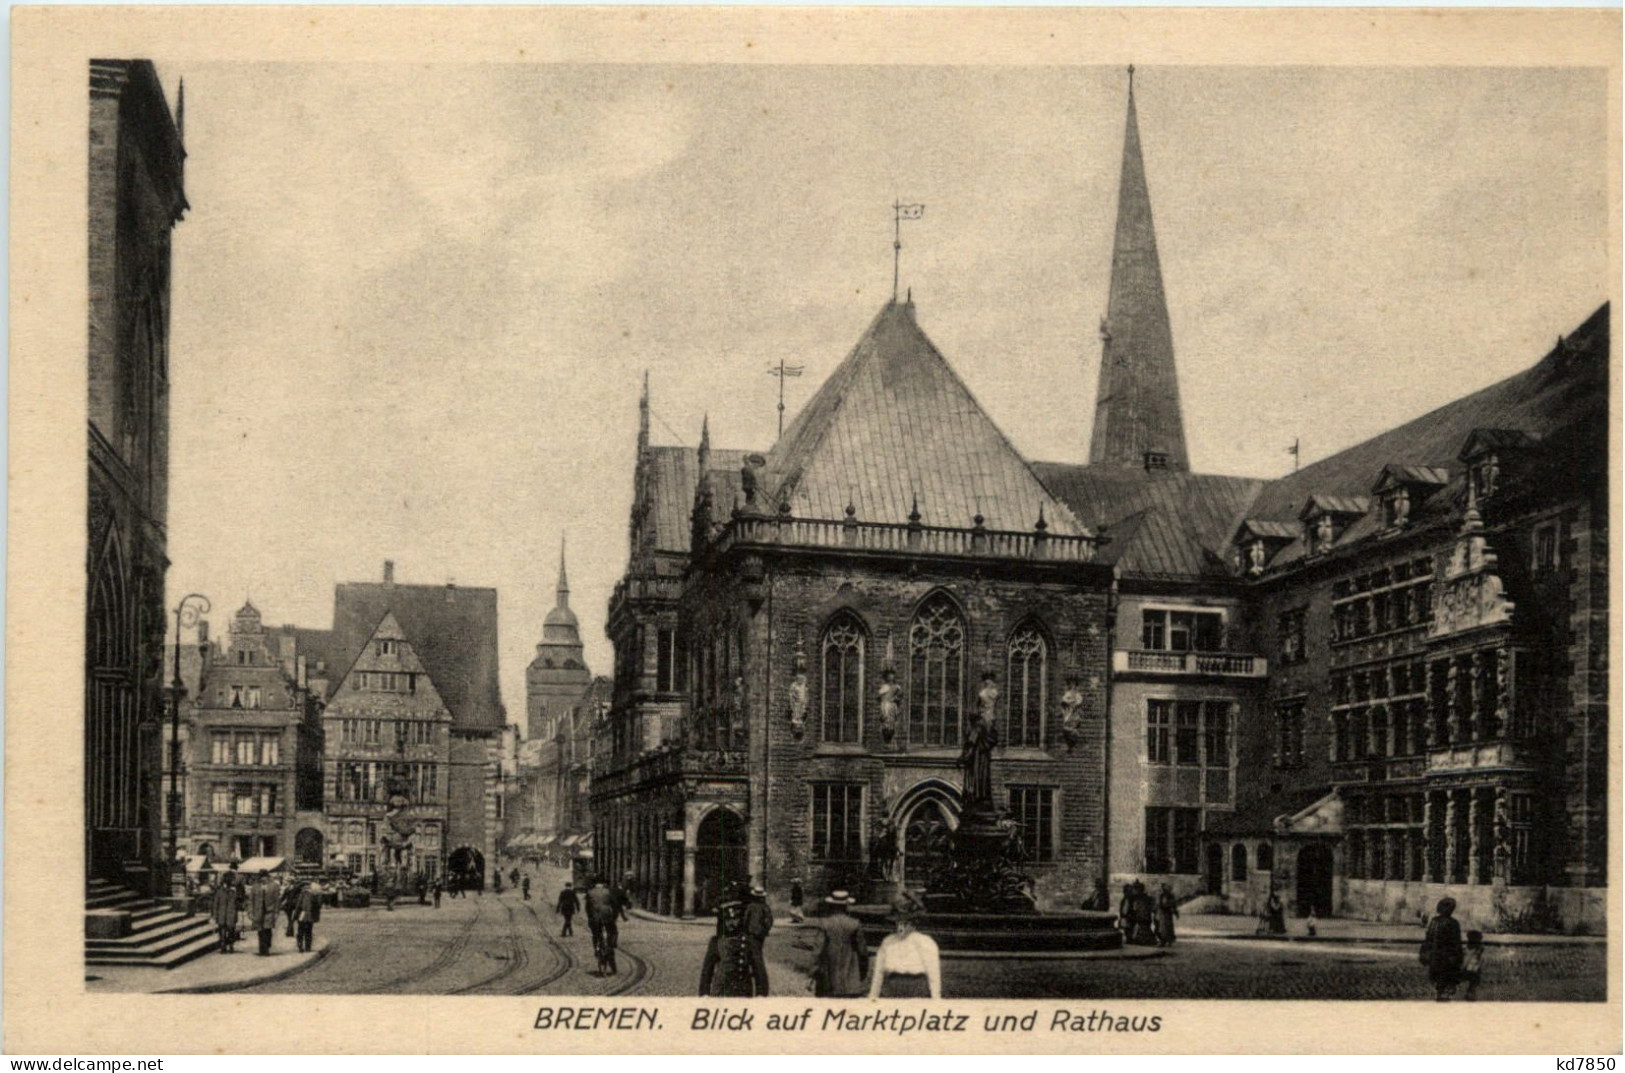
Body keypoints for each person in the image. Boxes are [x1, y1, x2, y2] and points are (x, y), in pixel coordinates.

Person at [868, 893, 941, 999]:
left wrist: (936, 999)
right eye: (897, 924)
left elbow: (934, 973)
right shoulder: (888, 942)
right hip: (892, 988)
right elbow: (878, 972)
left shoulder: (925, 942)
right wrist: (873, 996)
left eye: (905, 924)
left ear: (913, 923)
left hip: (916, 988)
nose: (900, 928)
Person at [699, 898, 770, 997]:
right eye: (728, 920)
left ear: (740, 919)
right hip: (720, 992)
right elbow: (707, 971)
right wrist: (705, 993)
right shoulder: (716, 942)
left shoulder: (749, 942)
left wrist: (761, 994)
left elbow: (759, 970)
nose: (731, 924)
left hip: (743, 993)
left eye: (735, 919)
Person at [808, 890, 867, 998]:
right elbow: (862, 951)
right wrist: (863, 972)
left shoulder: (825, 923)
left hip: (828, 977)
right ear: (846, 906)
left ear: (832, 905)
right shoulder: (855, 924)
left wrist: (813, 971)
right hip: (850, 978)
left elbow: (817, 950)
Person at [1421, 897, 1465, 1001]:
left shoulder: (1434, 921)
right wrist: (1459, 957)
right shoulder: (1454, 923)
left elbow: (1428, 939)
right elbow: (1457, 943)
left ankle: (1439, 995)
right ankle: (1444, 998)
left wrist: (1426, 953)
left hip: (1436, 956)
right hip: (1449, 958)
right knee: (1447, 982)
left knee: (1439, 982)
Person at [586, 876, 628, 975]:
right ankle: (611, 946)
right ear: (603, 884)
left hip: (594, 918)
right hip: (607, 916)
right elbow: (614, 904)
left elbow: (587, 907)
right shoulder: (608, 892)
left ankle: (596, 948)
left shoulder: (590, 892)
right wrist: (614, 916)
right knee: (613, 932)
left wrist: (590, 918)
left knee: (595, 934)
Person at [249, 873, 282, 957]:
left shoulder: (274, 886)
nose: (263, 879)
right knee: (260, 931)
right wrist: (250, 912)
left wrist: (276, 912)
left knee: (267, 930)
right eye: (261, 878)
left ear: (267, 877)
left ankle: (267, 947)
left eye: (264, 877)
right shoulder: (255, 887)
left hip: (269, 912)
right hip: (258, 912)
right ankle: (262, 949)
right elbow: (251, 901)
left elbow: (277, 900)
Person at [211, 873, 242, 953]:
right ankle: (223, 945)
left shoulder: (233, 893)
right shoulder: (220, 892)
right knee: (222, 931)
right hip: (222, 915)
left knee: (231, 931)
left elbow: (237, 904)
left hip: (230, 915)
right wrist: (214, 915)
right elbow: (215, 904)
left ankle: (230, 945)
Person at [295, 881, 323, 953]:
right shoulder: (316, 894)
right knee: (309, 931)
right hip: (311, 915)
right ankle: (308, 947)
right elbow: (319, 905)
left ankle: (300, 945)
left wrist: (295, 914)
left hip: (302, 914)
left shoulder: (302, 894)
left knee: (300, 930)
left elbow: (298, 905)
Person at [744, 883, 773, 951]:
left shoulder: (750, 906)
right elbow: (769, 921)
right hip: (761, 932)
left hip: (752, 932)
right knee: (759, 948)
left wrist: (745, 930)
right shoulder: (765, 907)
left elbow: (746, 919)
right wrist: (766, 930)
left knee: (754, 950)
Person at [1461, 930, 1485, 1001]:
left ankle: (1470, 992)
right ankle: (1470, 992)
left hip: (1471, 969)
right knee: (1474, 978)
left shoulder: (1472, 949)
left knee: (1474, 979)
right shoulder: (1475, 949)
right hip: (1471, 970)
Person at [1155, 883, 1179, 947]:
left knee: (1167, 927)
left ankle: (1167, 940)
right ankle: (1163, 940)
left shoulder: (1170, 896)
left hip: (1167, 913)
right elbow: (1159, 904)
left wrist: (1175, 912)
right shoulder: (1161, 895)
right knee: (1162, 927)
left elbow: (1173, 905)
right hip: (1162, 913)